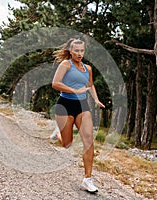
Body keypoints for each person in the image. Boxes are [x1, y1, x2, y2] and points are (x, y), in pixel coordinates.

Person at [50, 38, 105, 193]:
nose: (80, 53)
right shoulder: (66, 64)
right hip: (65, 105)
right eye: (77, 51)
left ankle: (87, 180)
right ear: (71, 51)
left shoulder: (88, 68)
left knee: (88, 139)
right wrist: (74, 90)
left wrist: (96, 99)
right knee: (66, 143)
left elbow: (90, 85)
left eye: (82, 50)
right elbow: (55, 83)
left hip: (82, 106)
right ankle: (58, 133)